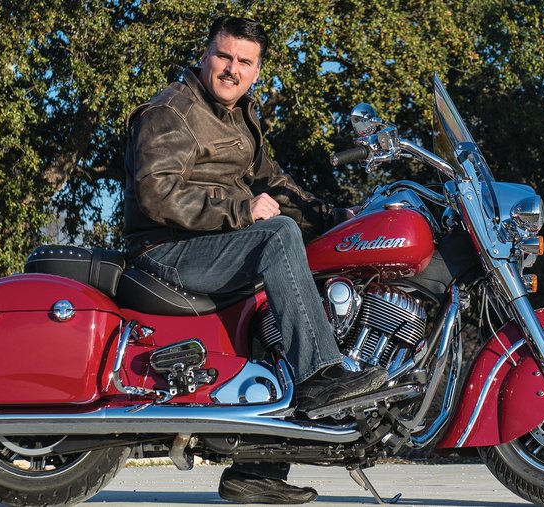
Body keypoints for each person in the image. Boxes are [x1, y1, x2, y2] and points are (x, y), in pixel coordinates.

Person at [122, 16, 387, 504]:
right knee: (278, 238)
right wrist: (240, 210)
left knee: (279, 310)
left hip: (214, 244)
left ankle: (255, 472)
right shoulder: (170, 111)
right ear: (205, 56)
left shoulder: (241, 114)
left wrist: (334, 217)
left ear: (257, 71)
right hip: (166, 249)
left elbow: (274, 184)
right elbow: (156, 193)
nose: (232, 69)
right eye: (224, 56)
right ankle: (319, 377)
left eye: (244, 61)